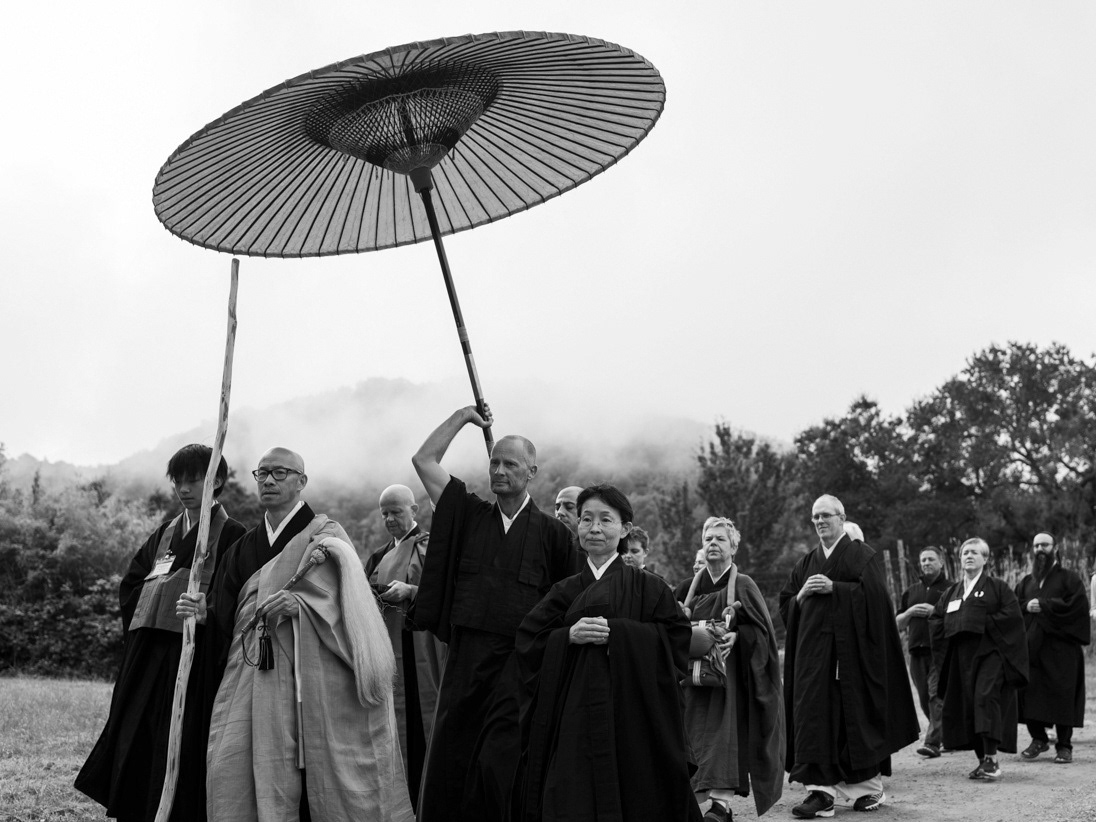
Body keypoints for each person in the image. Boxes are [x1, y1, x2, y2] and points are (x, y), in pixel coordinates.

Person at [178, 447, 413, 822]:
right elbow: (229, 620)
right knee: (234, 764)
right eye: (262, 473)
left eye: (280, 472)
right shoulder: (241, 548)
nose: (269, 480)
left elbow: (354, 606)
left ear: (302, 481)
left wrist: (302, 605)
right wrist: (206, 615)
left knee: (315, 774)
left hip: (313, 680)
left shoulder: (327, 537)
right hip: (256, 677)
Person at [411, 406, 579, 822]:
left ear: (532, 472)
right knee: (451, 753)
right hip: (466, 659)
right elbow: (424, 460)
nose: (499, 470)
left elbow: (570, 603)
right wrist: (462, 417)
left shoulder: (555, 535)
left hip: (519, 665)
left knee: (503, 762)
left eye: (510, 464)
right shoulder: (468, 514)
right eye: (494, 462)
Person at [76, 445, 247, 822]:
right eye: (178, 481)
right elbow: (131, 584)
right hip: (148, 653)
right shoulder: (166, 533)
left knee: (183, 739)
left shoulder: (233, 534)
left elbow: (237, 597)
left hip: (194, 657)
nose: (184, 489)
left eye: (194, 480)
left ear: (216, 480)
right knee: (138, 732)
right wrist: (164, 593)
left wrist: (206, 611)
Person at [515, 485, 701, 822]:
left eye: (605, 520)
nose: (595, 528)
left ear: (625, 528)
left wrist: (620, 633)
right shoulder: (563, 590)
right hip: (573, 716)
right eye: (586, 519)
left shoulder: (650, 587)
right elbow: (529, 641)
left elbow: (676, 639)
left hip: (634, 714)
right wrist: (567, 636)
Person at [778, 495, 918, 818]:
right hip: (812, 661)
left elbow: (877, 602)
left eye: (826, 515)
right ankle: (821, 793)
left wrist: (836, 589)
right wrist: (801, 595)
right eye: (815, 516)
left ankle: (869, 789)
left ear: (841, 518)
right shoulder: (805, 562)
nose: (820, 521)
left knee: (853, 720)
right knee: (813, 719)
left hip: (850, 660)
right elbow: (786, 604)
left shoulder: (862, 556)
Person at [676, 517, 785, 821]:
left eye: (720, 539)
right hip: (691, 679)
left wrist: (738, 636)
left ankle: (720, 807)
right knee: (690, 734)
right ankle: (691, 802)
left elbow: (763, 632)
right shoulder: (685, 589)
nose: (713, 543)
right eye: (708, 538)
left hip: (729, 680)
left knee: (724, 735)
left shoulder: (744, 585)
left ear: (734, 547)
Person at [365, 484, 447, 806]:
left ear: (414, 510)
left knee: (423, 721)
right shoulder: (378, 556)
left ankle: (429, 799)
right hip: (388, 653)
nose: (389, 519)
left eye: (396, 512)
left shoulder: (430, 548)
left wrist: (411, 591)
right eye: (384, 513)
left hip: (421, 652)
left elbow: (445, 591)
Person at [929, 537, 1028, 780]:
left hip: (990, 653)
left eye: (974, 552)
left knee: (985, 697)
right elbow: (936, 619)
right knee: (967, 704)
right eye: (965, 553)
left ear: (985, 558)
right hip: (961, 656)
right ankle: (982, 759)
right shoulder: (952, 592)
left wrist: (977, 620)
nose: (969, 556)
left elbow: (1013, 617)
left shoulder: (998, 587)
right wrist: (955, 625)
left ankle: (992, 759)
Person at [1015, 532, 1090, 764]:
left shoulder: (1069, 579)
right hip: (1032, 650)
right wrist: (1026, 606)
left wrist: (1045, 605)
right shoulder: (1026, 582)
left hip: (1062, 650)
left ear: (1055, 548)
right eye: (1036, 545)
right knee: (1029, 693)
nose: (1040, 549)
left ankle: (1064, 746)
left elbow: (1077, 607)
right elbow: (1014, 608)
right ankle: (1038, 739)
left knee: (1063, 695)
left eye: (1045, 545)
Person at [896, 546, 951, 758]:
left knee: (936, 695)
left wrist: (935, 612)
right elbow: (898, 623)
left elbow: (959, 618)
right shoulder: (911, 591)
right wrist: (910, 612)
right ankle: (945, 735)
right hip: (915, 652)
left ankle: (932, 742)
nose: (926, 563)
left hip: (940, 650)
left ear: (941, 563)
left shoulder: (951, 589)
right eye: (923, 560)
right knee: (923, 698)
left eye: (931, 559)